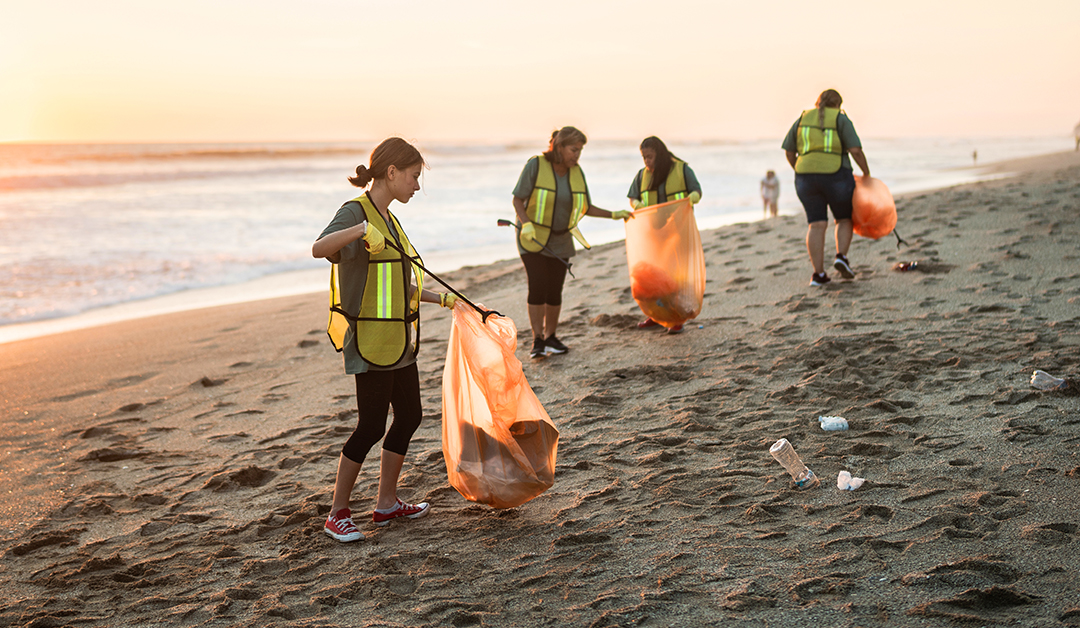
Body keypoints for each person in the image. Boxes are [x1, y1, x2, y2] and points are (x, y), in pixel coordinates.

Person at [312, 137, 459, 542]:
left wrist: (444, 299)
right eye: (413, 177)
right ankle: (337, 512)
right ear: (391, 172)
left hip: (398, 338)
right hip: (372, 340)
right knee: (371, 425)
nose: (416, 186)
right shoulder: (355, 211)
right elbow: (318, 247)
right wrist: (359, 231)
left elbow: (399, 285)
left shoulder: (391, 219)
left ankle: (386, 503)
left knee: (410, 416)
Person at [513, 127, 630, 359]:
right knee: (537, 286)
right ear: (559, 146)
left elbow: (586, 206)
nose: (577, 155)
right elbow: (518, 199)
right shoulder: (535, 165)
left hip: (562, 240)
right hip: (532, 238)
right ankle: (537, 340)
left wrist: (615, 214)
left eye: (580, 151)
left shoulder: (576, 172)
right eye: (573, 149)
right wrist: (525, 223)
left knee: (555, 290)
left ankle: (551, 336)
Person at [782, 89, 871, 287]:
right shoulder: (840, 119)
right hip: (836, 175)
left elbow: (789, 151)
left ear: (818, 102)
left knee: (816, 224)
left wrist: (799, 167)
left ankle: (818, 275)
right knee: (844, 218)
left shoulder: (802, 118)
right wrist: (866, 173)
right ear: (839, 104)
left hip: (805, 178)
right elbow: (855, 150)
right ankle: (841, 257)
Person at [626, 136, 702, 333]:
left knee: (675, 277)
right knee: (653, 277)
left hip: (677, 230)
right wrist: (637, 205)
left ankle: (677, 318)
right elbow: (632, 196)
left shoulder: (682, 169)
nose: (646, 162)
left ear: (659, 155)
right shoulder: (642, 175)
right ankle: (655, 316)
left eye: (650, 157)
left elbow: (697, 191)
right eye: (643, 158)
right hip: (653, 233)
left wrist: (692, 198)